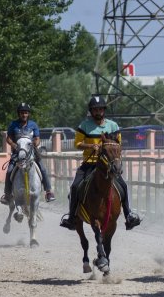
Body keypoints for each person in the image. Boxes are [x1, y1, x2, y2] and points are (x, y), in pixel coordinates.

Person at [59, 95, 141, 231]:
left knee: (123, 186)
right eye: (95, 110)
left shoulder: (113, 125)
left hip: (107, 165)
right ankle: (72, 217)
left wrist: (108, 149)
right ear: (91, 111)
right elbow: (77, 144)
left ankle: (128, 215)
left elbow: (118, 143)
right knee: (74, 187)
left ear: (104, 110)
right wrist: (91, 147)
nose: (98, 112)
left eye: (100, 109)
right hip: (89, 164)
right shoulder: (84, 125)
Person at [0, 102, 55, 204]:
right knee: (10, 170)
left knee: (42, 168)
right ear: (18, 114)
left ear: (28, 114)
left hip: (31, 152)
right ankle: (7, 195)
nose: (24, 115)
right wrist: (14, 145)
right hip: (17, 153)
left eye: (26, 113)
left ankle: (48, 192)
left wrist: (34, 144)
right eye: (22, 113)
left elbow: (37, 139)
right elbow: (8, 138)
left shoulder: (33, 125)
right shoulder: (13, 125)